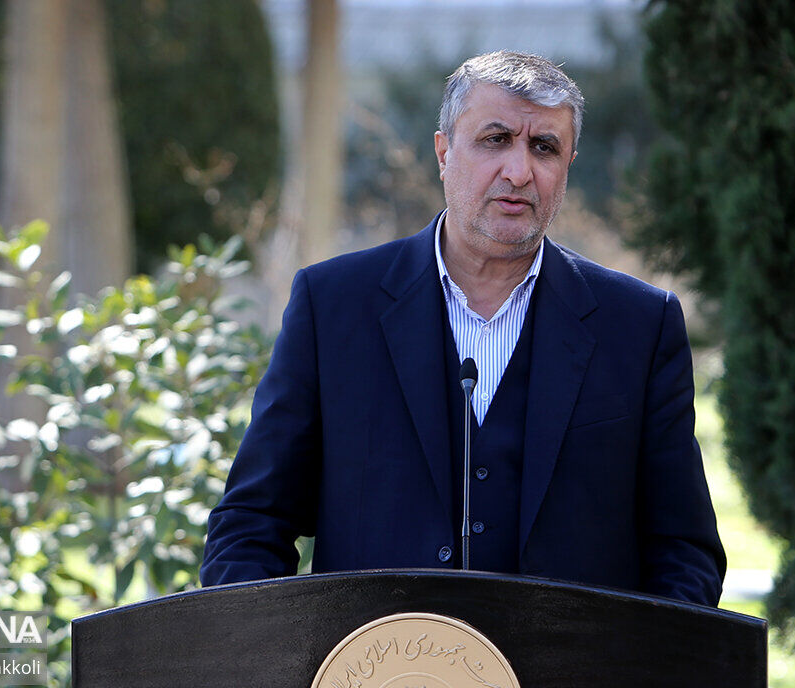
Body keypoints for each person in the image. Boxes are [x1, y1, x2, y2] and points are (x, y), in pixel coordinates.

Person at [200, 51, 724, 606]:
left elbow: (683, 552)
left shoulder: (639, 325)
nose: (519, 172)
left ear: (568, 163)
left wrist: (638, 659)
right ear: (443, 152)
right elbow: (251, 524)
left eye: (544, 147)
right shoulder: (332, 307)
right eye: (496, 139)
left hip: (570, 662)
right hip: (378, 660)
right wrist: (285, 652)